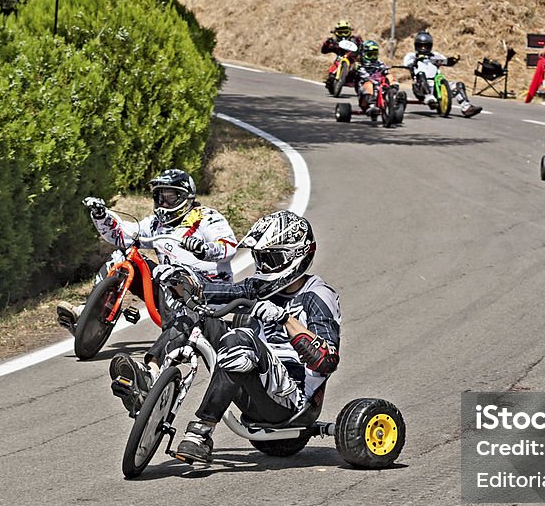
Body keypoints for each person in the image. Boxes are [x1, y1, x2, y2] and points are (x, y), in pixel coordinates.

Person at [109, 211, 342, 464]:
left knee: (240, 339)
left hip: (294, 402)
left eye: (270, 259)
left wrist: (285, 319)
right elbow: (216, 293)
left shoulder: (318, 295)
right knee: (195, 312)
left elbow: (326, 360)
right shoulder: (262, 286)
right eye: (259, 259)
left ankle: (202, 432)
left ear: (295, 256)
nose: (263, 268)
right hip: (256, 384)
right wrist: (180, 279)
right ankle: (150, 378)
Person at [56, 169, 237, 332]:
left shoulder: (206, 217)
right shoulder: (155, 224)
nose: (163, 203)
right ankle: (88, 313)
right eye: (159, 197)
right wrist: (101, 216)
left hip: (206, 291)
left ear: (186, 197)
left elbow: (229, 246)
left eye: (170, 197)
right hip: (170, 291)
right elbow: (122, 236)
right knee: (122, 257)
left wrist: (204, 249)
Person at [401, 31, 482, 118]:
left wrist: (453, 59)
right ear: (416, 46)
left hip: (436, 83)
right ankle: (429, 97)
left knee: (458, 85)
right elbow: (406, 64)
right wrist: (416, 60)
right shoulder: (411, 55)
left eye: (426, 46)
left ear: (430, 46)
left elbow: (446, 62)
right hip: (420, 86)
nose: (423, 48)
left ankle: (466, 107)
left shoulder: (435, 55)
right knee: (421, 74)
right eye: (421, 46)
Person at [355, 39, 406, 118]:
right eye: (369, 55)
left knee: (389, 76)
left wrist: (386, 74)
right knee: (369, 84)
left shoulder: (379, 64)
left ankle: (394, 94)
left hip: (380, 88)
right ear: (363, 54)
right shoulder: (358, 66)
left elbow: (385, 71)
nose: (372, 58)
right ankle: (372, 106)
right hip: (365, 95)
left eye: (374, 55)